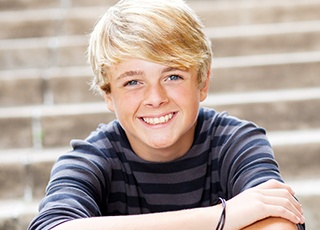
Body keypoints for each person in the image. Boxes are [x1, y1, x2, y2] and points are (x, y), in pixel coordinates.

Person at [28, 0, 306, 229]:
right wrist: (223, 216)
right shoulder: (91, 158)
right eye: (133, 82)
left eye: (173, 76)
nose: (155, 98)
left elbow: (279, 223)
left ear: (202, 82)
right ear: (108, 94)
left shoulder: (236, 141)